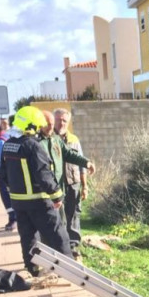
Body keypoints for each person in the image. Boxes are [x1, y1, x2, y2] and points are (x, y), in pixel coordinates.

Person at [0, 106, 73, 276]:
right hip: (38, 200)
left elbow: (2, 174)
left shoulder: (8, 145)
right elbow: (43, 174)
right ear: (31, 126)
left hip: (18, 201)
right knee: (58, 234)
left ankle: (32, 268)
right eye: (38, 126)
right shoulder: (33, 146)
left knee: (28, 236)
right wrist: (57, 195)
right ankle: (71, 269)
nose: (40, 129)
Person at [52, 108, 88, 256]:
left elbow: (82, 165)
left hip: (73, 182)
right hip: (56, 186)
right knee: (57, 217)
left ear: (68, 122)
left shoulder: (74, 139)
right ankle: (60, 248)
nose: (61, 123)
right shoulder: (49, 138)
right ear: (54, 120)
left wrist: (85, 186)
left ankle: (73, 247)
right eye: (59, 120)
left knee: (73, 215)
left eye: (64, 120)